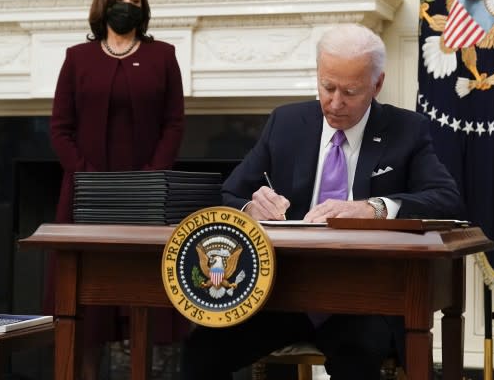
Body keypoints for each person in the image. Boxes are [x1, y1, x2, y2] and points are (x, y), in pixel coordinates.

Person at [180, 23, 465, 380]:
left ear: (377, 85)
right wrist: (250, 209)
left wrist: (372, 208)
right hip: (285, 294)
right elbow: (227, 194)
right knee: (202, 351)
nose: (335, 102)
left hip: (365, 299)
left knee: (355, 356)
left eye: (350, 91)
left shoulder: (405, 129)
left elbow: (447, 200)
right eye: (327, 87)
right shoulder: (286, 123)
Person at [50, 0, 185, 380]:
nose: (127, 4)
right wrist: (86, 175)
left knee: (140, 299)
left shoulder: (163, 55)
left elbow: (173, 124)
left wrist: (150, 176)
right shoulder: (78, 58)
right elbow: (60, 127)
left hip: (145, 197)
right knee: (86, 310)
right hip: (84, 195)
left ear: (142, 9)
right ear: (105, 2)